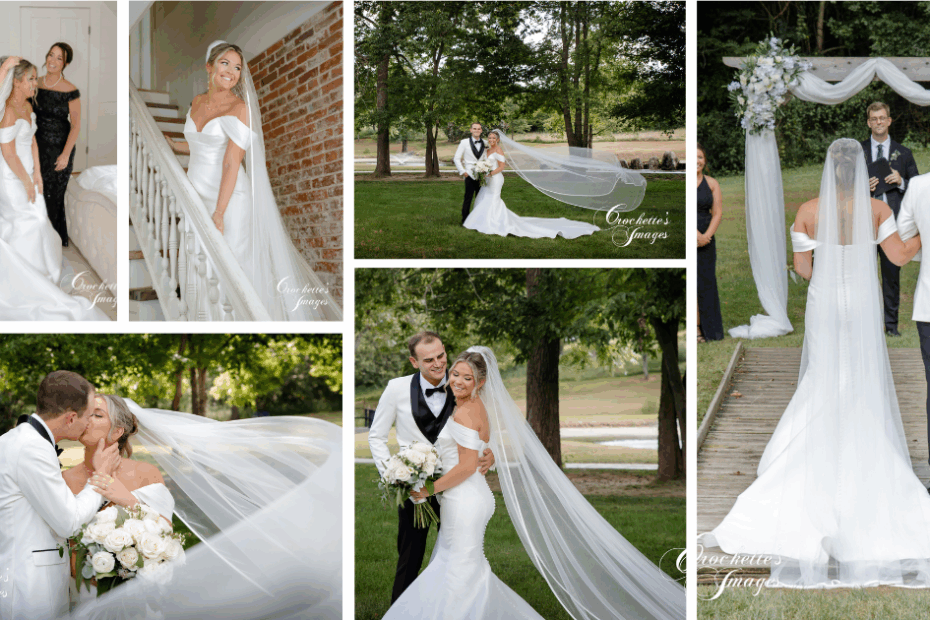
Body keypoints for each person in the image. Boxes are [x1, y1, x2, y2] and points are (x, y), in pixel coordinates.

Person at [704, 139, 930, 588]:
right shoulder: (878, 212)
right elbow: (900, 257)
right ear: (859, 168)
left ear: (828, 170)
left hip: (827, 302)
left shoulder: (808, 210)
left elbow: (804, 270)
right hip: (863, 304)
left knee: (824, 376)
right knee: (860, 377)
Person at [384, 346, 685, 619]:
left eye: (466, 377)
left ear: (480, 382)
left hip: (464, 498)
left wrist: (426, 489)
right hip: (473, 496)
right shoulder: (478, 409)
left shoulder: (463, 412)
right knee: (459, 564)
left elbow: (464, 467)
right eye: (455, 374)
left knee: (458, 568)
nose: (457, 381)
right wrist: (483, 458)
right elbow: (481, 451)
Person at [69, 396, 342, 619]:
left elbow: (164, 536)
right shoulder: (64, 480)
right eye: (85, 413)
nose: (86, 419)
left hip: (140, 593)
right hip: (82, 591)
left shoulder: (146, 473)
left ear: (117, 431)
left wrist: (125, 498)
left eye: (97, 415)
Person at [166, 41, 341, 321]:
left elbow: (231, 161)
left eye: (237, 67)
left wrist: (220, 213)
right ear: (209, 66)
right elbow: (201, 144)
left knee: (233, 263)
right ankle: (205, 319)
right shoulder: (197, 102)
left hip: (230, 198)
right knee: (199, 257)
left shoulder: (239, 108)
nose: (232, 72)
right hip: (196, 192)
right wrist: (175, 145)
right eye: (225, 63)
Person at [368, 331, 495, 602]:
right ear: (414, 362)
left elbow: (477, 429)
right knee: (409, 557)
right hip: (413, 488)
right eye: (429, 360)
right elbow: (376, 437)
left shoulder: (461, 381)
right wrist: (394, 476)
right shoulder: (396, 388)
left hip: (456, 487)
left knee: (455, 555)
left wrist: (489, 452)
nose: (438, 364)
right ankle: (399, 611)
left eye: (441, 356)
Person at [0, 371, 123, 620]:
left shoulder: (20, 439)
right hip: (29, 591)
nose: (89, 423)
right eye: (89, 416)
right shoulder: (31, 448)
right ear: (70, 418)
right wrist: (100, 476)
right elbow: (68, 522)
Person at [0, 56, 107, 321]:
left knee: (40, 220)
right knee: (30, 223)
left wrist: (37, 173)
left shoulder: (27, 105)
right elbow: (8, 152)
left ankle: (40, 272)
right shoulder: (7, 111)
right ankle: (22, 279)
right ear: (16, 81)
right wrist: (25, 179)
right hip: (11, 177)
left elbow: (33, 142)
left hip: (28, 173)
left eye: (35, 78)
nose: (35, 84)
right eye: (31, 79)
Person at [463, 130, 601, 239]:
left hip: (495, 178)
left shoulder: (499, 150)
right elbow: (483, 163)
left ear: (498, 140)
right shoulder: (487, 150)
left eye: (494, 138)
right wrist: (481, 169)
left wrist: (490, 173)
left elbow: (502, 167)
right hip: (487, 179)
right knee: (483, 197)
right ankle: (480, 221)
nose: (491, 140)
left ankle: (492, 223)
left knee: (492, 199)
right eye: (490, 138)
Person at [860, 101, 919, 337]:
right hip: (864, 222)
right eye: (874, 119)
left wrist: (901, 181)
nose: (878, 122)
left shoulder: (904, 153)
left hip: (892, 225)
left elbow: (918, 187)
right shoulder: (857, 151)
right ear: (868, 123)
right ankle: (865, 325)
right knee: (863, 274)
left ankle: (891, 327)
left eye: (882, 118)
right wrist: (861, 186)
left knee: (891, 277)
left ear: (889, 120)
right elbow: (841, 187)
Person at [35, 42, 80, 247]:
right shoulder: (35, 83)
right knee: (38, 192)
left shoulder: (70, 90)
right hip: (37, 147)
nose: (52, 61)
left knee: (54, 195)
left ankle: (52, 241)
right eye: (51, 55)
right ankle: (37, 237)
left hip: (60, 148)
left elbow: (76, 125)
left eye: (58, 58)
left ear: (66, 63)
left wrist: (65, 154)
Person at [696, 143, 723, 341]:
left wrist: (706, 236)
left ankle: (712, 331)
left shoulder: (712, 183)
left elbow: (718, 212)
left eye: (700, 157)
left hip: (707, 239)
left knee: (707, 282)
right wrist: (694, 234)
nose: (697, 161)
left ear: (704, 161)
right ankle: (696, 329)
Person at [453, 122, 487, 225]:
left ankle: (478, 220)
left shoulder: (485, 143)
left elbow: (486, 158)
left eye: (479, 129)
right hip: (469, 175)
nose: (477, 130)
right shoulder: (464, 142)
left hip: (482, 174)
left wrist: (486, 169)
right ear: (471, 130)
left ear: (481, 130)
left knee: (480, 198)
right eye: (475, 128)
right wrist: (463, 172)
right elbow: (456, 158)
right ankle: (465, 220)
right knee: (468, 198)